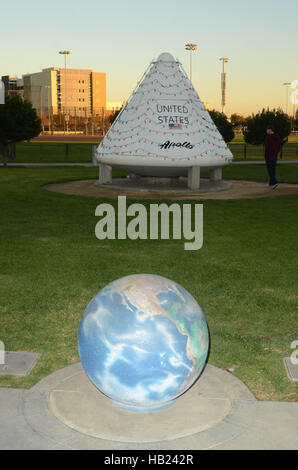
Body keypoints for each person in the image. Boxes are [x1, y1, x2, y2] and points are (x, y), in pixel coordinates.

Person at [264, 124, 282, 189]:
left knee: (270, 170)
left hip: (269, 156)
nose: (266, 130)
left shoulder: (268, 137)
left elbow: (267, 147)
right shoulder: (277, 136)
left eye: (267, 129)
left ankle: (274, 182)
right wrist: (276, 152)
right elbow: (280, 146)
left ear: (270, 130)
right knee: (273, 170)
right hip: (274, 156)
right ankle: (271, 184)